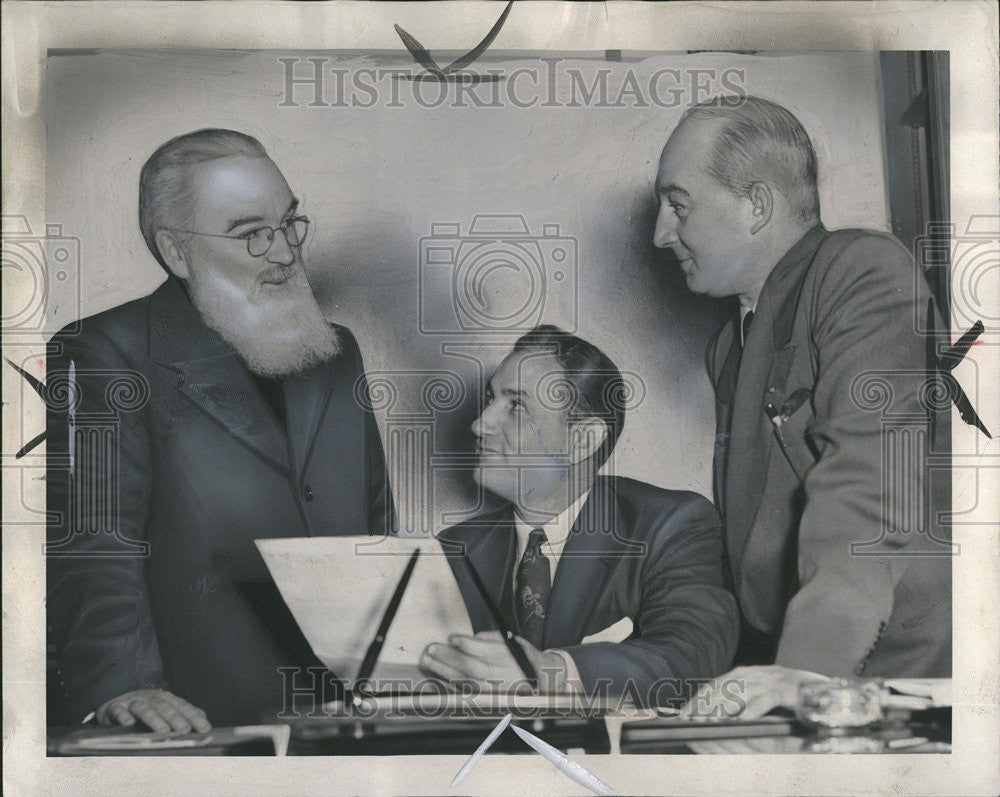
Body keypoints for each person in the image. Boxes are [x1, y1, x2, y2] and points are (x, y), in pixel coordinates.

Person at [46, 129, 394, 731]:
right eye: (251, 234)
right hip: (199, 722)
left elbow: (379, 530)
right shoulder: (104, 352)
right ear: (177, 252)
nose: (285, 252)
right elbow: (95, 543)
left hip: (355, 719)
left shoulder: (339, 354)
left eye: (289, 224)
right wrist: (122, 687)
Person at [652, 96, 951, 717]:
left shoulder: (863, 271)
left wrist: (805, 675)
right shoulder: (729, 344)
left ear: (757, 205)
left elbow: (871, 492)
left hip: (897, 673)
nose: (661, 233)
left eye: (678, 205)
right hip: (785, 665)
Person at [421, 325, 738, 703]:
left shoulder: (670, 525)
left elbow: (693, 654)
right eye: (491, 399)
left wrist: (552, 672)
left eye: (516, 405)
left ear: (582, 440)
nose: (480, 424)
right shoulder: (453, 547)